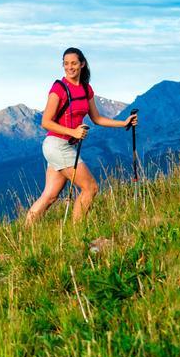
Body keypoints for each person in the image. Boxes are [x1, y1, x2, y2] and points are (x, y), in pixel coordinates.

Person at [25, 47, 139, 225]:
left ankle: (26, 233)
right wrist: (73, 132)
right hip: (57, 145)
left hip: (65, 146)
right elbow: (45, 122)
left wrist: (123, 123)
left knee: (50, 196)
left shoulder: (86, 89)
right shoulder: (59, 88)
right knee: (90, 188)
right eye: (66, 64)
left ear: (82, 64)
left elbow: (97, 118)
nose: (70, 67)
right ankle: (77, 234)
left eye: (74, 63)